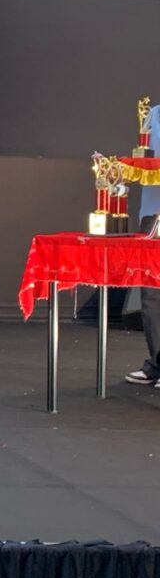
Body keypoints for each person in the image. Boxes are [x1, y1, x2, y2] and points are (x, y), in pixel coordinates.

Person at [126, 102, 160, 387]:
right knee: (151, 293)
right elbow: (144, 157)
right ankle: (157, 364)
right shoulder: (153, 114)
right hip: (153, 213)